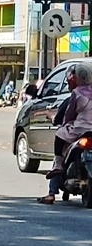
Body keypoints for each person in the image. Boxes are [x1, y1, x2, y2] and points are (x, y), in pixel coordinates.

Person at [38, 65, 79, 204]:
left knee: (58, 160)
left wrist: (53, 117)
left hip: (74, 133)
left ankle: (51, 193)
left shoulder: (73, 98)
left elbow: (64, 117)